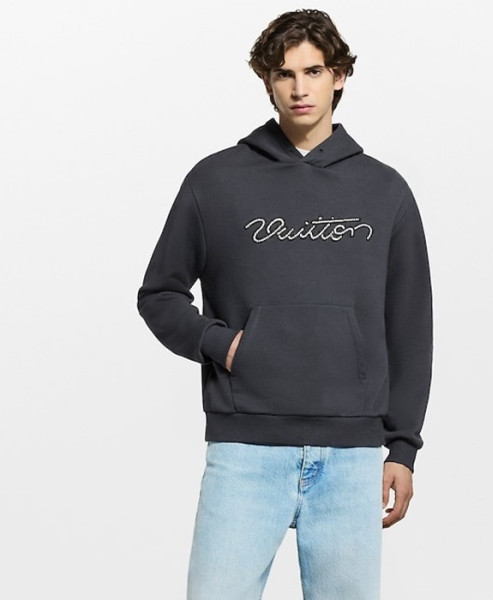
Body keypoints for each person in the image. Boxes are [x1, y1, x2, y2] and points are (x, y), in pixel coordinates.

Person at [137, 8, 433, 600]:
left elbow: (409, 327)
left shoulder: (385, 191)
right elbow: (159, 294)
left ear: (339, 76)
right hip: (244, 452)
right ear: (267, 81)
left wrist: (402, 447)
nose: (300, 88)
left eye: (313, 71)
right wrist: (224, 345)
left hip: (352, 459)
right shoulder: (215, 181)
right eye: (284, 74)